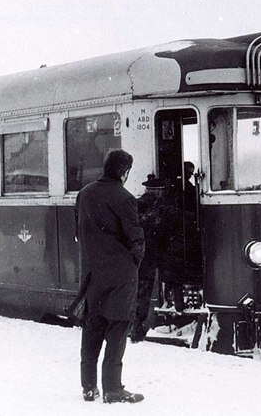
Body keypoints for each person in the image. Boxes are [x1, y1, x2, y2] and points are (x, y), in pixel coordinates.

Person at [75, 149, 145, 404]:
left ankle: (88, 386)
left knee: (92, 328)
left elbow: (78, 232)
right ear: (124, 172)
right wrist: (132, 264)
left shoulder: (84, 193)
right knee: (117, 329)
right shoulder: (125, 198)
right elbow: (136, 240)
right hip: (120, 276)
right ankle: (113, 389)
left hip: (93, 273)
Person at [132, 174, 168, 343]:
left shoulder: (138, 204)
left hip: (140, 254)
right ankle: (137, 327)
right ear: (156, 191)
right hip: (148, 255)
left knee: (140, 290)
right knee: (144, 290)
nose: (162, 194)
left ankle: (136, 326)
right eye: (160, 191)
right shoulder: (152, 205)